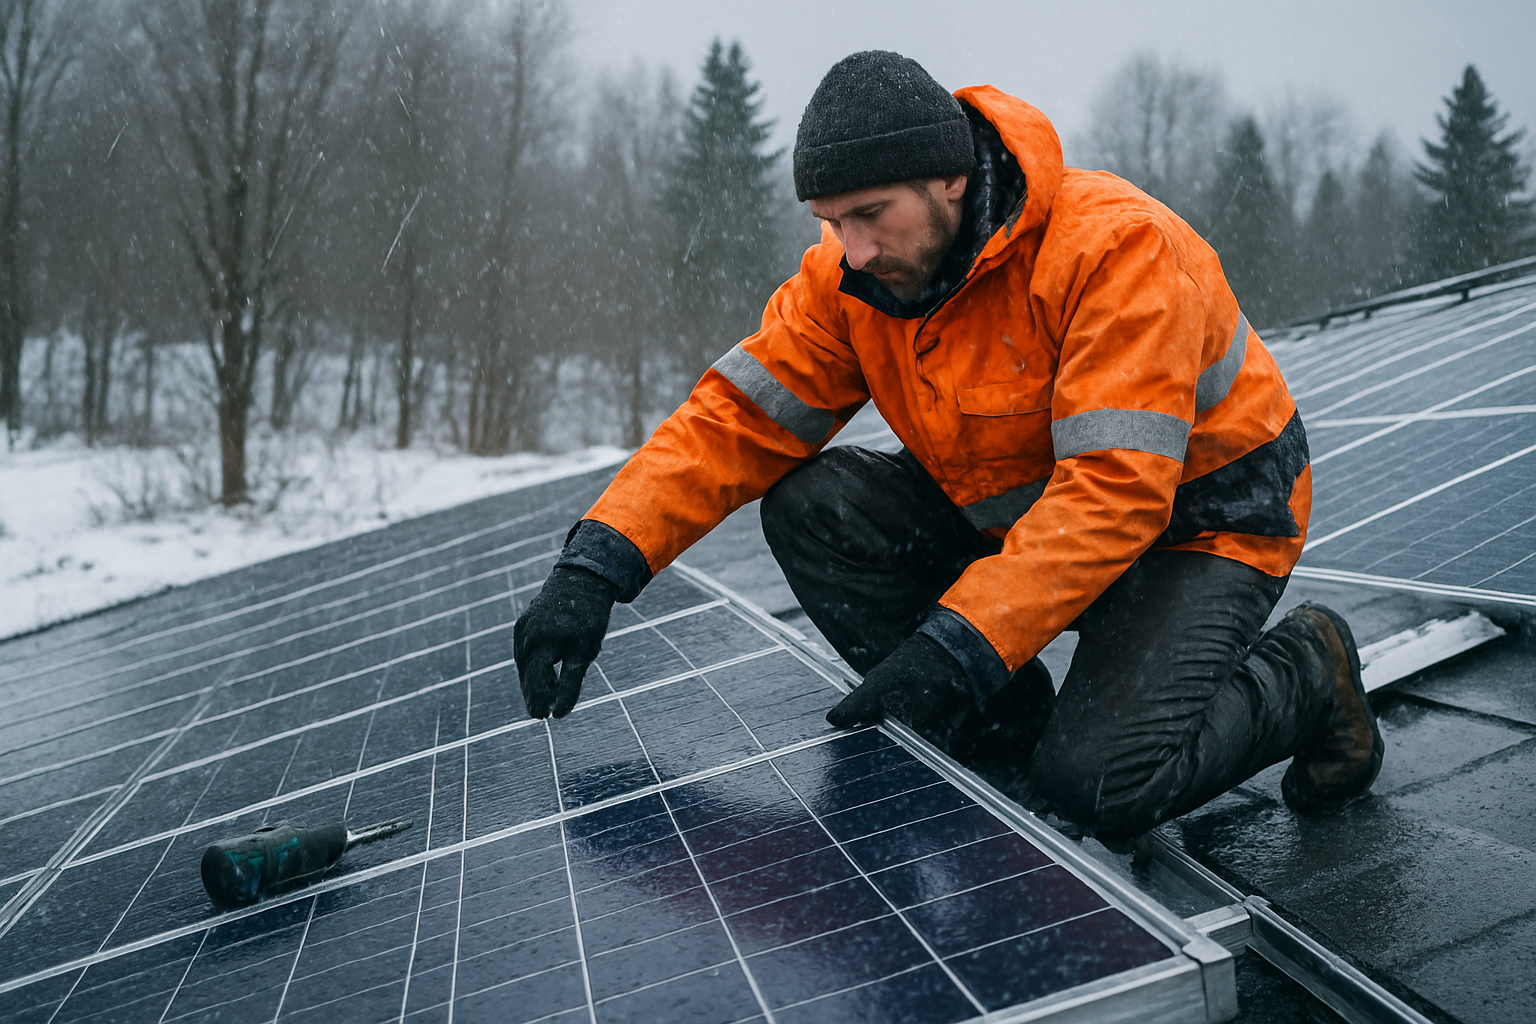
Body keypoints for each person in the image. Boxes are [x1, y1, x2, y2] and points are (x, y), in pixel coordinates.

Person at [512, 51, 1382, 843]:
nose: (852, 248)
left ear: (949, 179)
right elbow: (735, 418)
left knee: (1102, 788)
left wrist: (955, 649)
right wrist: (597, 566)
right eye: (830, 220)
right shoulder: (852, 278)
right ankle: (1009, 735)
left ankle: (1309, 671)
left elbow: (1115, 492)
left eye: (869, 214)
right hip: (1029, 518)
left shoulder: (1114, 249)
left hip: (1200, 530)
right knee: (815, 505)